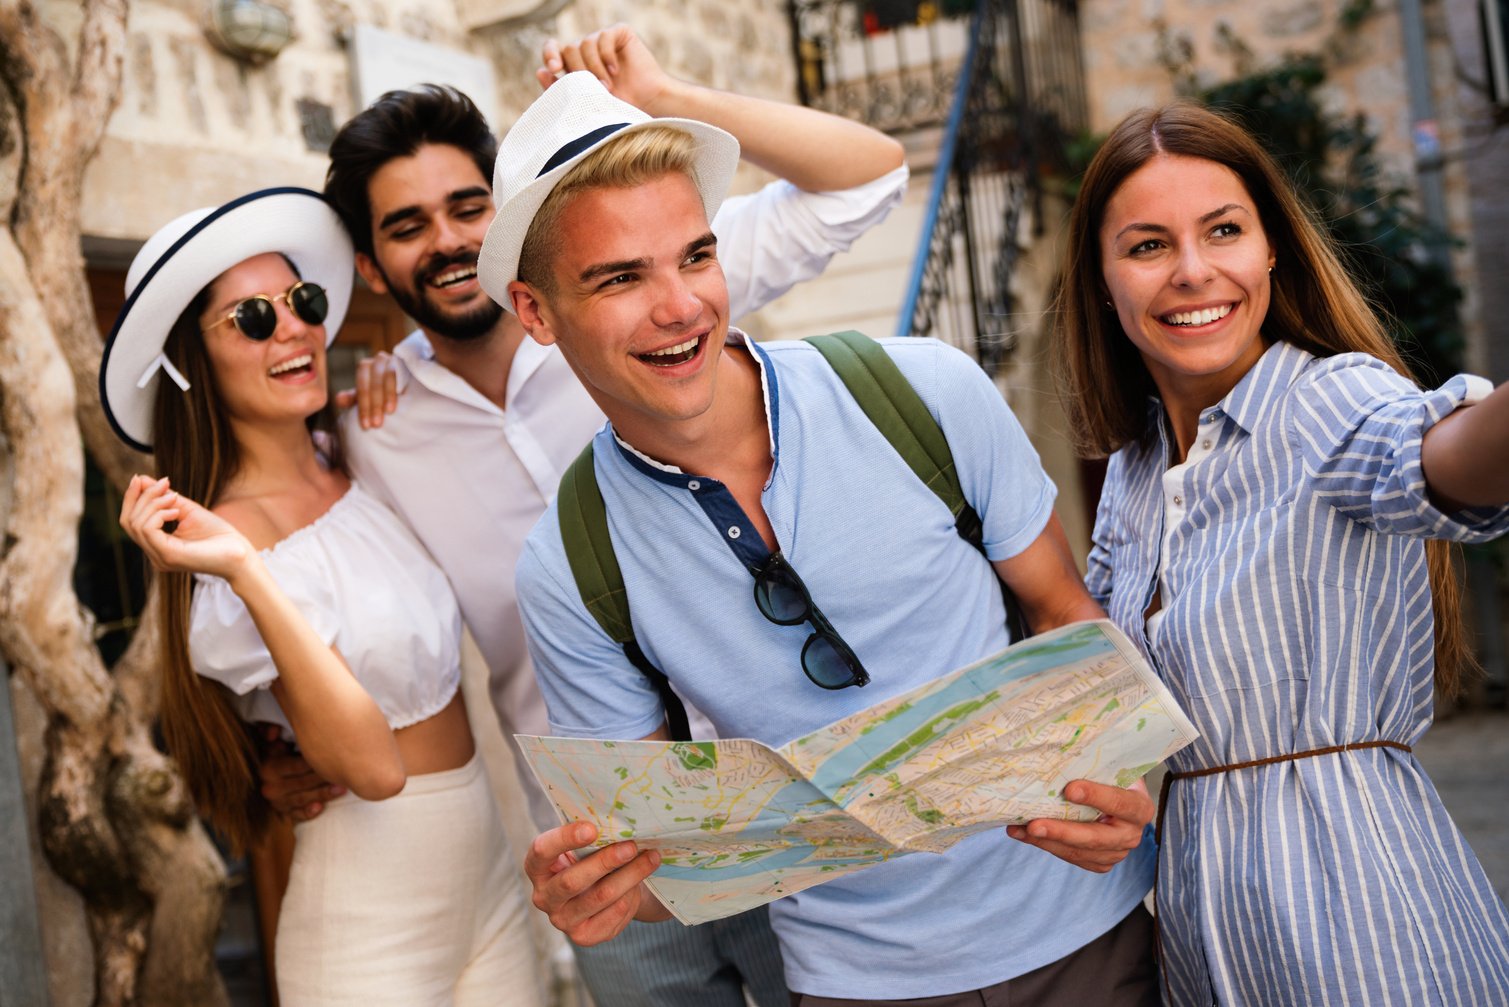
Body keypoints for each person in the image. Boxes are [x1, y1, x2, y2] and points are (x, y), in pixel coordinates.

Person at [261, 24, 912, 1007]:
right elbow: (319, 581)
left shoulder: (642, 296)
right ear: (371, 258)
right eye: (407, 226)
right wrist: (272, 757)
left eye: (467, 206)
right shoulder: (370, 434)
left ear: (509, 216)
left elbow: (864, 178)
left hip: (783, 814)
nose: (445, 240)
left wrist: (665, 95)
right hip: (609, 861)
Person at [488, 70, 1163, 1006]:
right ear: (535, 312)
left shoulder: (927, 391)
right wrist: (596, 891)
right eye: (619, 278)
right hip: (850, 983)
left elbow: (1062, 614)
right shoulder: (568, 563)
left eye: (694, 256)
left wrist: (1119, 779)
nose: (679, 305)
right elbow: (653, 864)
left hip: (1082, 933)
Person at [1052, 99, 1509, 1005]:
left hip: (1366, 917)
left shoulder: (1325, 400)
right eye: (1147, 245)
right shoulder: (1135, 474)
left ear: (1270, 251)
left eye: (1222, 231)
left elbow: (1443, 455)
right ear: (1103, 280)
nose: (1192, 271)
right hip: (1197, 931)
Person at [100, 189, 546, 1006]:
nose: (295, 327)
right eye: (252, 318)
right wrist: (245, 568)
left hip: (488, 872)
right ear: (191, 361)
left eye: (299, 301)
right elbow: (372, 769)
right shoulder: (224, 550)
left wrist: (393, 374)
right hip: (365, 921)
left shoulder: (357, 455)